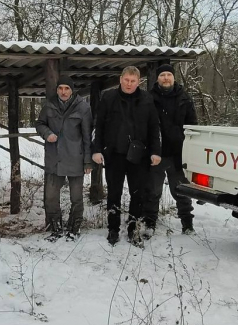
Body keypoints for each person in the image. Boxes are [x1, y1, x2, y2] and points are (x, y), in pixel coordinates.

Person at [91, 66, 162, 246]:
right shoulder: (108, 98)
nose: (129, 84)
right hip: (114, 154)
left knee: (137, 194)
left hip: (139, 155)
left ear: (139, 82)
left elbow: (154, 127)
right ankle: (113, 229)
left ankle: (133, 229)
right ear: (120, 79)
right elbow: (98, 126)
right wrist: (97, 149)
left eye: (133, 81)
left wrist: (155, 151)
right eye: (126, 80)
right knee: (114, 193)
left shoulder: (147, 99)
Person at [35, 74, 93, 240]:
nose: (63, 91)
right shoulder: (49, 105)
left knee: (76, 197)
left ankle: (74, 228)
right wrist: (47, 134)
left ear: (72, 90)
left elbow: (88, 136)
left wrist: (88, 161)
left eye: (67, 88)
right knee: (51, 197)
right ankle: (56, 227)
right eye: (60, 88)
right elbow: (39, 123)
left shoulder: (83, 108)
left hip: (76, 158)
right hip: (55, 159)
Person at [148, 62, 198, 234]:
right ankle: (150, 223)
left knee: (181, 191)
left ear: (173, 77)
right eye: (162, 75)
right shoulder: (149, 98)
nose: (166, 78)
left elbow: (193, 126)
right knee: (153, 191)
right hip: (157, 153)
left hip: (179, 154)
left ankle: (187, 224)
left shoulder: (185, 98)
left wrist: (189, 147)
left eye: (168, 75)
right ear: (158, 78)